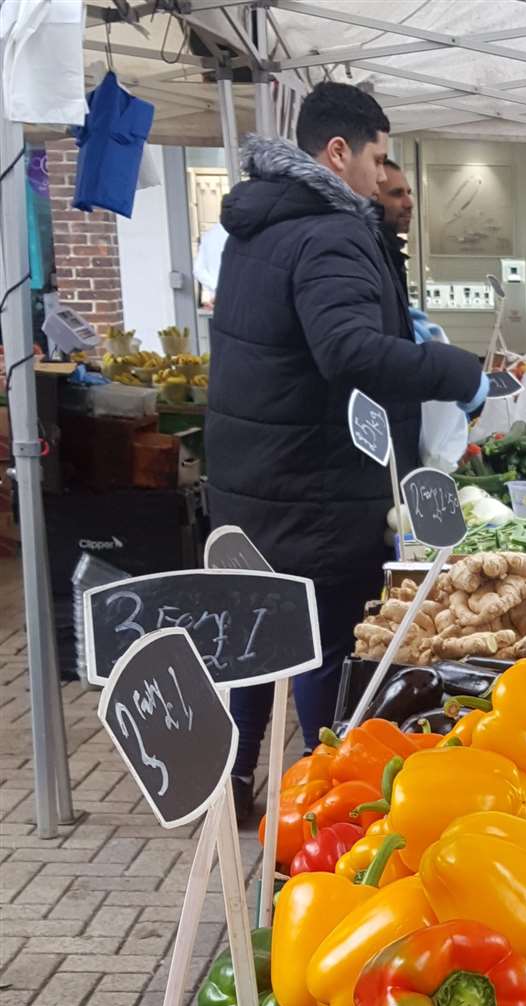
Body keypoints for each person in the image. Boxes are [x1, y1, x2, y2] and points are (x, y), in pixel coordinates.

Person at [206, 82, 488, 819]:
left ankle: (235, 781)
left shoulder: (256, 226)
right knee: (327, 643)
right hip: (317, 484)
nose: (379, 175)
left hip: (254, 477)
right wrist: (458, 371)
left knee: (258, 633)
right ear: (338, 152)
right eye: (378, 157)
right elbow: (348, 349)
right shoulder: (328, 231)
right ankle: (320, 796)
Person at [374, 157, 415, 301]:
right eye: (397, 194)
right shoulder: (367, 255)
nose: (409, 203)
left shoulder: (389, 253)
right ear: (372, 196)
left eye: (408, 193)